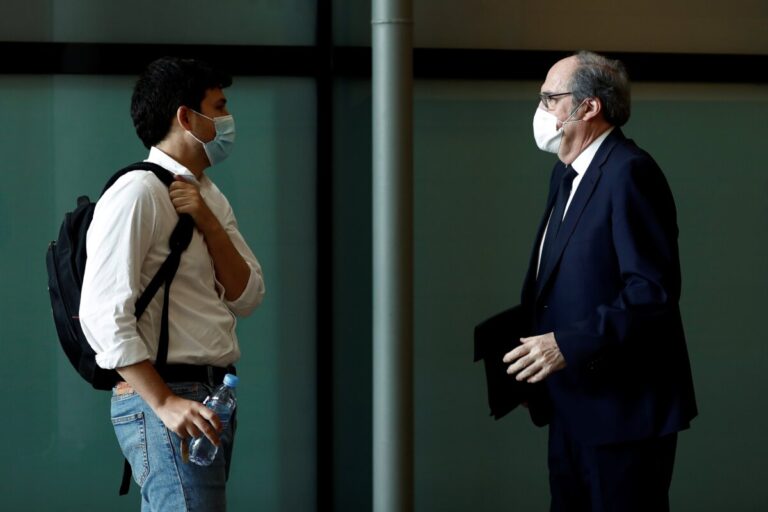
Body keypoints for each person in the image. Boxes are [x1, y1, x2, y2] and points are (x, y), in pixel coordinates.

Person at [502, 51, 697, 511]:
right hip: (570, 401)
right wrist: (534, 371)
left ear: (589, 107)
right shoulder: (564, 175)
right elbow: (557, 279)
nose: (541, 110)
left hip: (623, 412)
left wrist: (564, 345)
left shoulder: (630, 172)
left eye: (551, 98)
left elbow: (652, 293)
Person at [79, 56, 265, 511]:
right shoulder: (138, 192)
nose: (227, 119)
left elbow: (247, 295)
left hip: (209, 397)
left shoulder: (208, 194)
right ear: (186, 117)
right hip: (169, 396)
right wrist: (162, 402)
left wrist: (206, 220)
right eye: (218, 106)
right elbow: (101, 314)